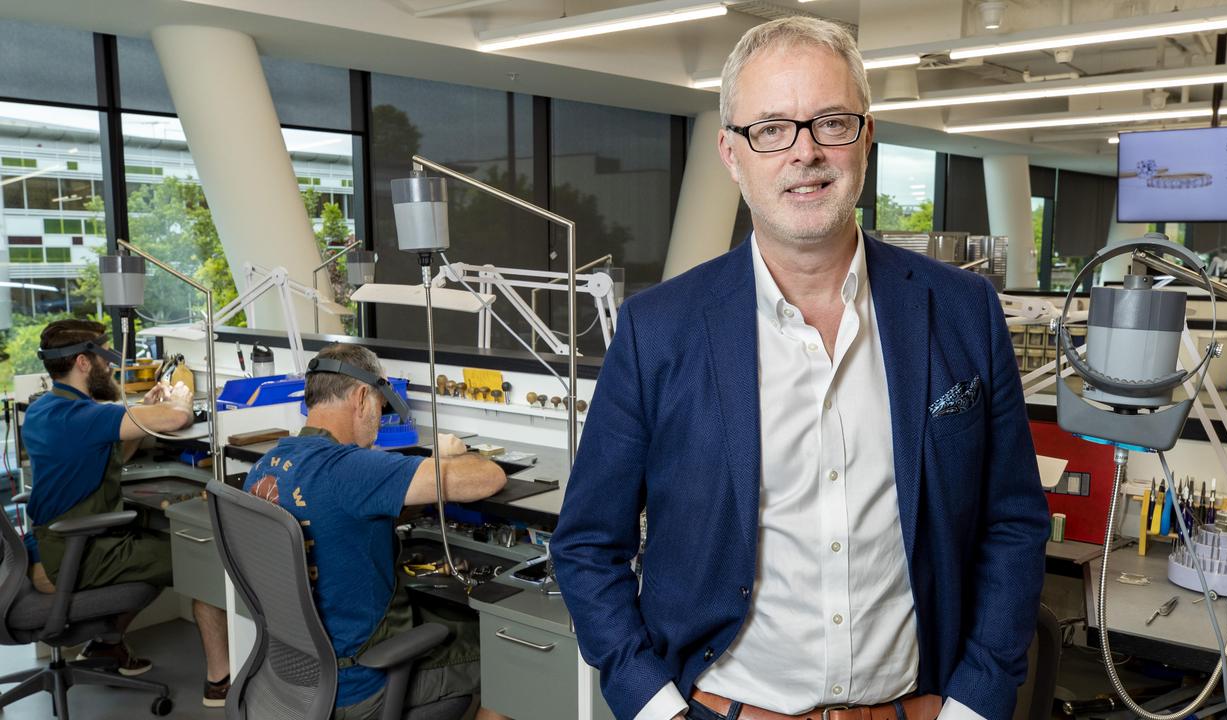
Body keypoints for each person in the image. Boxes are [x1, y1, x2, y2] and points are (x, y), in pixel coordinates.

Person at [551, 16, 1050, 720]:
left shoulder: (963, 310)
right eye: (772, 128)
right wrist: (657, 708)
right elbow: (587, 546)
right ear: (731, 153)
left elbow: (1013, 523)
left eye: (832, 123)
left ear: (866, 137)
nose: (806, 152)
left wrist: (975, 702)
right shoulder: (656, 330)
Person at [244, 343, 509, 720]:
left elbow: (335, 511)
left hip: (292, 676)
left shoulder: (265, 468)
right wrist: (452, 456)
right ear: (362, 398)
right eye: (382, 408)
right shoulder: (352, 469)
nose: (380, 418)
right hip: (360, 684)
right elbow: (488, 477)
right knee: (507, 652)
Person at [24, 319, 232, 707]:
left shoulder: (47, 409)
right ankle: (219, 682)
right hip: (81, 554)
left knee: (155, 551)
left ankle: (106, 644)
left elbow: (113, 447)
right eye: (105, 360)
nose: (111, 369)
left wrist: (142, 413)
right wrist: (179, 399)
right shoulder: (84, 416)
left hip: (51, 544)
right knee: (203, 555)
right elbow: (177, 420)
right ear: (84, 363)